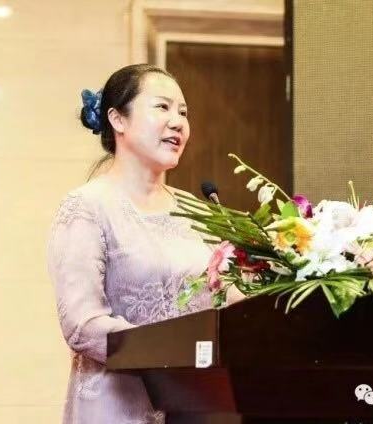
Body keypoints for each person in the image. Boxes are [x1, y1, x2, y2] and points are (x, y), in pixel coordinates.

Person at [47, 64, 234, 423]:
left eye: (183, 113)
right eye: (163, 107)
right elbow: (82, 326)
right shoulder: (87, 207)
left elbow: (226, 299)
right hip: (119, 407)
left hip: (197, 405)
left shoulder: (198, 210)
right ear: (118, 119)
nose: (178, 122)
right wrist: (175, 349)